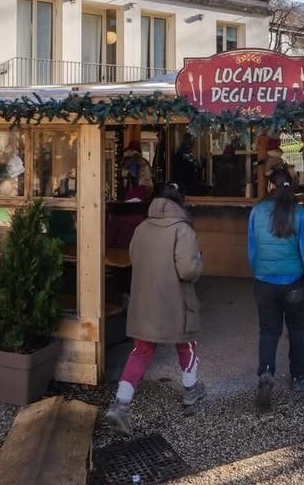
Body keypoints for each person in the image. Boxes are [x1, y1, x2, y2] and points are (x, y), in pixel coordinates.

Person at [105, 183, 205, 436]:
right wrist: (199, 261)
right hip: (175, 300)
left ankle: (121, 403)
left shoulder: (141, 227)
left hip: (145, 299)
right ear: (178, 202)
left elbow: (133, 257)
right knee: (186, 343)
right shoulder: (183, 229)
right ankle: (191, 390)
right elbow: (188, 270)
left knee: (141, 350)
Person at [247, 168, 304, 408]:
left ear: (270, 187)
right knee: (297, 329)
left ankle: (266, 373)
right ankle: (297, 377)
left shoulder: (257, 211)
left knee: (268, 330)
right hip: (294, 283)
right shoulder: (299, 213)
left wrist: (258, 272)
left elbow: (252, 250)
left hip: (265, 282)